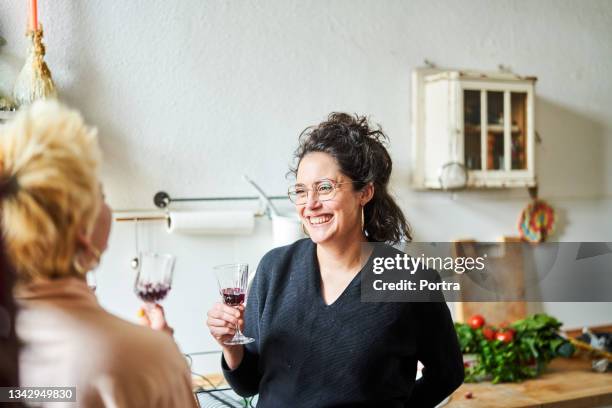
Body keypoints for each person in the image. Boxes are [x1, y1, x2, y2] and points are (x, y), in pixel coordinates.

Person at [206, 113, 464, 407]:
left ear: (364, 192)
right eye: (301, 191)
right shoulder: (274, 269)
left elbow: (448, 373)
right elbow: (248, 383)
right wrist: (230, 347)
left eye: (325, 187)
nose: (310, 204)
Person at [0, 100, 197, 407]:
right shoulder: (146, 358)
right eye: (102, 195)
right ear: (83, 230)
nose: (109, 207)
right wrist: (161, 354)